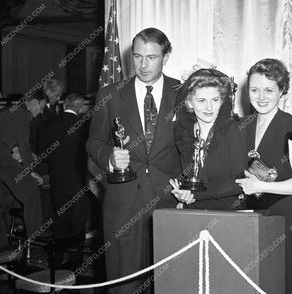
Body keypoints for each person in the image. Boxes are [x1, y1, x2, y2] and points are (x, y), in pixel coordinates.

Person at [86, 27, 181, 294]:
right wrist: (109, 157)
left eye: (151, 57)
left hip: (170, 201)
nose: (143, 64)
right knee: (125, 285)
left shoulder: (183, 92)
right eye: (138, 57)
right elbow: (93, 142)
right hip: (123, 204)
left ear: (166, 56)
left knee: (171, 283)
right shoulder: (111, 93)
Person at [235, 58, 292, 294]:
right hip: (251, 219)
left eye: (269, 90)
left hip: (285, 220)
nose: (261, 97)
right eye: (255, 90)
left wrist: (262, 186)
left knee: (285, 283)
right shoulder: (243, 125)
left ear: (282, 92)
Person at [169, 68, 246, 210]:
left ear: (222, 101)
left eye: (215, 100)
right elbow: (183, 177)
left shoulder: (233, 130)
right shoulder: (183, 133)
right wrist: (181, 193)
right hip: (192, 212)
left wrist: (195, 196)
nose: (209, 107)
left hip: (227, 213)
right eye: (201, 101)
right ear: (189, 103)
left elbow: (239, 182)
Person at [38, 93, 90, 253]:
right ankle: (77, 255)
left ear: (63, 105)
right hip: (80, 178)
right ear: (80, 107)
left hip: (58, 178)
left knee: (60, 215)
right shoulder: (86, 126)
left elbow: (42, 154)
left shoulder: (48, 125)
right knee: (79, 217)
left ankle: (59, 254)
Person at [0, 90, 45, 249]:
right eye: (40, 107)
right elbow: (24, 146)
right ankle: (35, 237)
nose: (40, 112)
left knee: (3, 199)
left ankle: (3, 247)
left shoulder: (10, 112)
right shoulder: (22, 114)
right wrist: (30, 171)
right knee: (31, 188)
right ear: (33, 103)